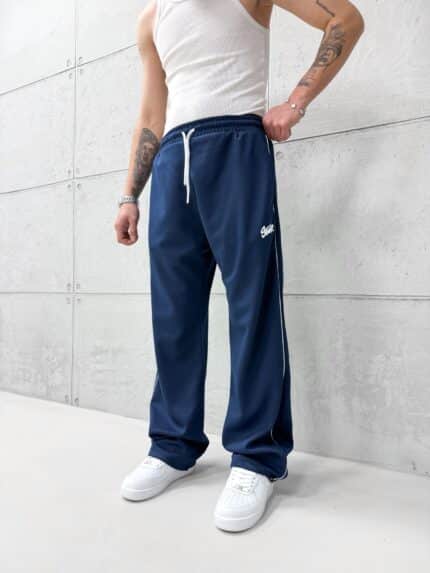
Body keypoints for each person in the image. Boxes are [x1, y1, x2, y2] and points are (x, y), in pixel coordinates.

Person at [115, 0, 364, 532]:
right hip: (172, 160)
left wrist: (295, 102)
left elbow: (345, 19)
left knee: (253, 307)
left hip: (235, 147)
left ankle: (256, 457)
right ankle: (173, 445)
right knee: (173, 315)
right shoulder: (151, 18)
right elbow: (152, 113)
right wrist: (130, 194)